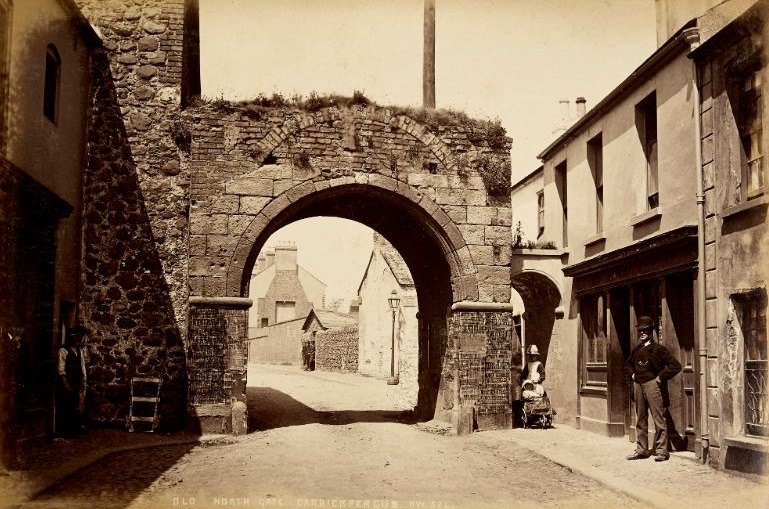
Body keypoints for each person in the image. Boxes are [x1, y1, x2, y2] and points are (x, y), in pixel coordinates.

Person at [626, 316, 681, 462]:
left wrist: (660, 377)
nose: (642, 333)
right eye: (640, 331)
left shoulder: (659, 349)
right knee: (641, 419)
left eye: (645, 331)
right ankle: (641, 450)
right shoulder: (637, 350)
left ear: (651, 332)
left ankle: (662, 451)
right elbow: (628, 364)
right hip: (638, 385)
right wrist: (632, 374)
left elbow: (675, 366)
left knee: (658, 419)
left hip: (653, 386)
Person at [56, 325, 87, 438]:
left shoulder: (79, 351)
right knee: (65, 407)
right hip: (67, 384)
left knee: (75, 406)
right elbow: (61, 369)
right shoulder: (63, 351)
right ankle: (65, 431)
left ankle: (73, 430)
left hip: (76, 383)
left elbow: (81, 368)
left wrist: (82, 382)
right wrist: (65, 384)